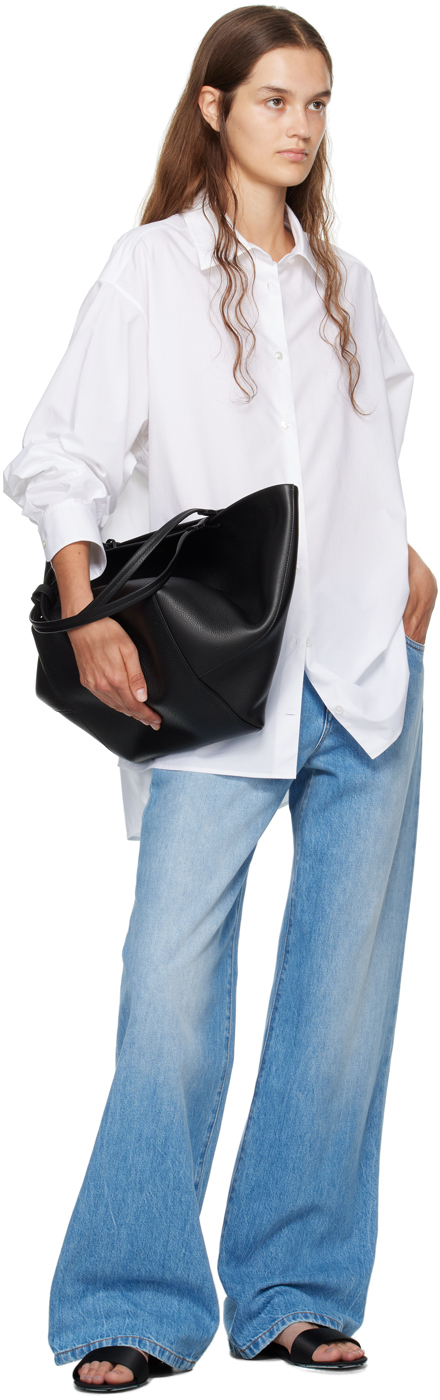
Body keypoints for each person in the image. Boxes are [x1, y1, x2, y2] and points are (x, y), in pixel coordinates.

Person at [4, 5, 437, 1388]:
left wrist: (409, 555)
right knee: (170, 997)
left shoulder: (348, 283)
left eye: (317, 104)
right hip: (217, 687)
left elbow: (369, 448)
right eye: (273, 101)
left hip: (367, 680)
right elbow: (60, 453)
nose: (299, 127)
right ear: (214, 109)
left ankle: (295, 1289)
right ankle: (129, 1300)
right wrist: (84, 611)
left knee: (341, 1006)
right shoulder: (153, 269)